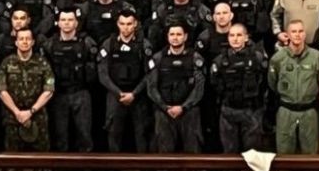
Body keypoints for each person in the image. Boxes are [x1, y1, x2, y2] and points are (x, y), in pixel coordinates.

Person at [42, 9, 98, 155]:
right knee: (59, 133)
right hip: (58, 94)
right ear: (58, 23)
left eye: (70, 20)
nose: (67, 23)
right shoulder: (49, 45)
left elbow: (94, 68)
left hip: (81, 92)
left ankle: (86, 167)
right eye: (64, 20)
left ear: (76, 23)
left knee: (84, 133)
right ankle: (60, 167)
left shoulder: (86, 42)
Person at [269, 19, 319, 154]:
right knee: (284, 154)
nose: (297, 34)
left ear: (305, 34)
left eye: (300, 31)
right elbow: (272, 83)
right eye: (293, 31)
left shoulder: (316, 57)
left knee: (310, 154)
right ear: (287, 35)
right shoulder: (277, 58)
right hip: (286, 111)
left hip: (309, 112)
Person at [97, 10, 153, 153]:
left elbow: (150, 74)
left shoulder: (144, 45)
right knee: (113, 132)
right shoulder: (109, 44)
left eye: (129, 24)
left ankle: (145, 170)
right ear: (117, 24)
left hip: (138, 95)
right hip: (115, 94)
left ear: (135, 24)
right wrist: (118, 93)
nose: (125, 27)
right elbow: (102, 74)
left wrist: (134, 94)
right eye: (122, 24)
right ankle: (113, 169)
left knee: (142, 133)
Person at [146, 24, 205, 154]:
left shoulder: (195, 58)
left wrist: (183, 107)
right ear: (167, 37)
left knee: (193, 148)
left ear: (185, 37)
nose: (175, 38)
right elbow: (151, 87)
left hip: (189, 110)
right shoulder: (158, 58)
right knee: (163, 148)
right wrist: (165, 107)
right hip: (164, 110)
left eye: (179, 34)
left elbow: (199, 87)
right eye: (172, 34)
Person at [211, 24, 269, 153]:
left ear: (246, 38)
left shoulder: (257, 58)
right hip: (228, 111)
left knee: (252, 154)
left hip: (251, 111)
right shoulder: (220, 61)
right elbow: (214, 85)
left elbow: (266, 82)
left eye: (239, 35)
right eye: (232, 35)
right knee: (229, 152)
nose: (235, 39)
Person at [0, 27, 55, 153]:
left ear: (33, 42)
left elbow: (49, 90)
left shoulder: (42, 62)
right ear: (16, 42)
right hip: (13, 116)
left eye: (28, 39)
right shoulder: (7, 62)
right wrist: (17, 112)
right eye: (21, 39)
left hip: (38, 115)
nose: (25, 41)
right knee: (12, 162)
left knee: (43, 163)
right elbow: (1, 90)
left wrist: (31, 111)